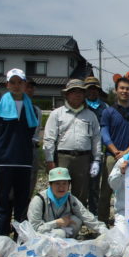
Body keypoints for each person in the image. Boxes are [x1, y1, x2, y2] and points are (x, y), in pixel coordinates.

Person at [0, 68, 38, 236]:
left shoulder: (31, 108)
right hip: (4, 160)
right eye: (13, 82)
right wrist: (5, 145)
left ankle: (20, 237)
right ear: (7, 84)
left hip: (24, 160)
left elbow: (31, 132)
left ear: (25, 85)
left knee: (22, 202)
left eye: (20, 82)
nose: (16, 86)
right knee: (1, 201)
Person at [43, 79, 102, 207]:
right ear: (67, 94)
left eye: (80, 92)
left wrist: (96, 159)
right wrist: (49, 160)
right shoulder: (56, 114)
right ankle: (58, 219)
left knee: (81, 193)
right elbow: (49, 139)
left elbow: (96, 138)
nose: (77, 94)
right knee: (59, 189)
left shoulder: (91, 116)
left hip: (83, 158)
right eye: (73, 91)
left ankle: (76, 222)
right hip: (62, 157)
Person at [99, 71, 129, 224]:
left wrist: (126, 153)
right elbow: (104, 132)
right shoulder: (108, 111)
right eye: (122, 88)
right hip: (112, 156)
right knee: (106, 190)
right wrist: (115, 151)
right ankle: (103, 222)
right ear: (116, 90)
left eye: (128, 88)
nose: (125, 91)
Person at [27, 167, 105, 238]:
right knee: (60, 233)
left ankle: (66, 241)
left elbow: (86, 215)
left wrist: (104, 231)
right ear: (50, 184)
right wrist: (57, 223)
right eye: (57, 183)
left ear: (69, 184)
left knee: (76, 220)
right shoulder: (38, 200)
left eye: (64, 183)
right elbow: (34, 228)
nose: (61, 187)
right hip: (42, 233)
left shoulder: (70, 198)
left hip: (61, 231)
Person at [84, 76, 109, 216]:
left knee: (94, 184)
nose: (92, 92)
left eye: (95, 89)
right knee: (80, 184)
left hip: (97, 150)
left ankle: (93, 212)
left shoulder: (105, 108)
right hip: (82, 148)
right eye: (89, 89)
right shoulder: (81, 105)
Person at [24, 78, 43, 196]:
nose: (29, 90)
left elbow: (38, 130)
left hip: (33, 148)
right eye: (27, 87)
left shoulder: (36, 110)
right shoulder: (11, 107)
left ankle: (24, 211)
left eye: (31, 87)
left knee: (31, 180)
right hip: (17, 149)